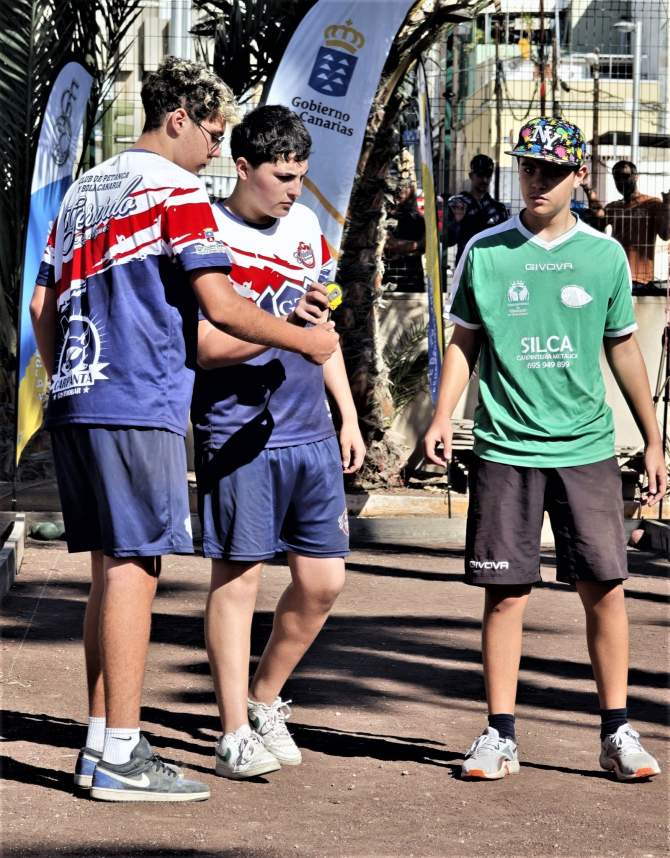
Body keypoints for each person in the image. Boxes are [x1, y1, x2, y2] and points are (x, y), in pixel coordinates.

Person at [29, 58, 338, 802]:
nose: (216, 150)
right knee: (135, 567)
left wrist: (69, 377)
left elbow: (42, 304)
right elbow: (221, 308)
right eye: (213, 133)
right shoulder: (176, 189)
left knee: (109, 569)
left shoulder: (86, 188)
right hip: (139, 398)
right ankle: (123, 754)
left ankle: (99, 744)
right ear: (178, 120)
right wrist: (304, 340)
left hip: (77, 396)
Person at [424, 117, 665, 782]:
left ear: (579, 175)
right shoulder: (485, 250)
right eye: (529, 166)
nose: (538, 180)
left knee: (605, 589)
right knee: (505, 595)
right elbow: (464, 339)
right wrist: (442, 415)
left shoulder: (604, 255)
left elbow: (623, 346)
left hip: (585, 448)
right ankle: (499, 734)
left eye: (552, 170)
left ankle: (617, 732)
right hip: (506, 447)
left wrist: (653, 440)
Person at [191, 105, 365, 780]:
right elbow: (206, 348)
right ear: (242, 167)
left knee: (324, 582)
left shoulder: (306, 229)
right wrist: (279, 322)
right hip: (238, 433)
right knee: (238, 581)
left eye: (301, 175)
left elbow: (322, 333)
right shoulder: (206, 231)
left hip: (311, 432)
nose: (295, 189)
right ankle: (232, 731)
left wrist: (347, 415)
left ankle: (264, 700)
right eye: (283, 177)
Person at [583, 161, 670, 290]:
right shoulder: (614, 206)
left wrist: (667, 206)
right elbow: (598, 217)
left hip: (640, 279)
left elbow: (665, 235)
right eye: (617, 178)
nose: (621, 181)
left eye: (625, 176)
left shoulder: (652, 203)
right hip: (615, 274)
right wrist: (588, 189)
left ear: (636, 176)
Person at [446, 154, 509, 266]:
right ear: (471, 175)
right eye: (480, 175)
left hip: (491, 266)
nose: (484, 180)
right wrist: (457, 222)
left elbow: (505, 244)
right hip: (465, 266)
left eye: (488, 175)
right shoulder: (458, 205)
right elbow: (448, 241)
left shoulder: (498, 209)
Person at [384, 182, 426, 292]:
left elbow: (426, 245)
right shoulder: (382, 218)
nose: (401, 191)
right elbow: (388, 244)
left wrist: (404, 246)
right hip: (389, 279)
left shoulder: (417, 219)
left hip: (412, 280)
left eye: (405, 187)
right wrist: (417, 245)